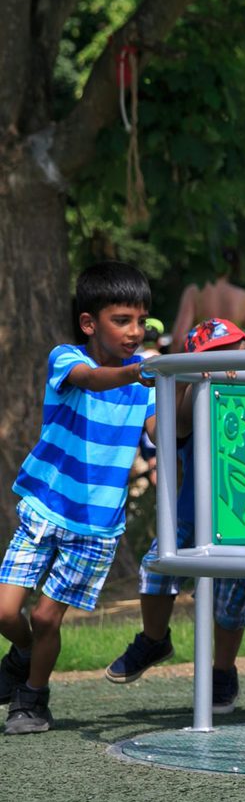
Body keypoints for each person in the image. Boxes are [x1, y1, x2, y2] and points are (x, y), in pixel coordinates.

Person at [0, 262, 157, 734]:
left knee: (47, 617)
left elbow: (166, 433)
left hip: (95, 525)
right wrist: (138, 372)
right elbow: (91, 379)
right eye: (121, 320)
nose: (135, 332)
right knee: (6, 612)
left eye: (141, 320)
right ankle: (23, 655)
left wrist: (197, 380)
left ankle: (33, 697)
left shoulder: (145, 387)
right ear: (89, 323)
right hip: (44, 508)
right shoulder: (67, 359)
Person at [104, 319, 245, 714]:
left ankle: (223, 672)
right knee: (156, 569)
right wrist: (189, 381)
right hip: (192, 513)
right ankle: (154, 638)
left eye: (231, 352)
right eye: (211, 357)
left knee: (232, 601)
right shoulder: (196, 395)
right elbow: (172, 427)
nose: (224, 364)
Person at [169, 247, 245, 351]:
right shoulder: (243, 296)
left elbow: (177, 339)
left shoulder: (194, 292)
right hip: (232, 358)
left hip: (204, 358)